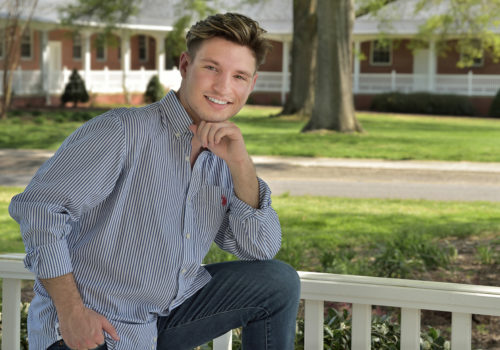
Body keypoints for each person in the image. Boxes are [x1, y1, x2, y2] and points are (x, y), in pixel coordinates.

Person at [9, 12, 300, 350]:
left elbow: (259, 248)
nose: (223, 87)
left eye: (238, 76)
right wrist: (72, 313)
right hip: (92, 328)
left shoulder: (224, 156)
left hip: (160, 320)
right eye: (211, 68)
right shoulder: (122, 131)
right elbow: (40, 211)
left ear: (252, 84)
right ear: (186, 65)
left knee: (277, 282)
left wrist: (241, 164)